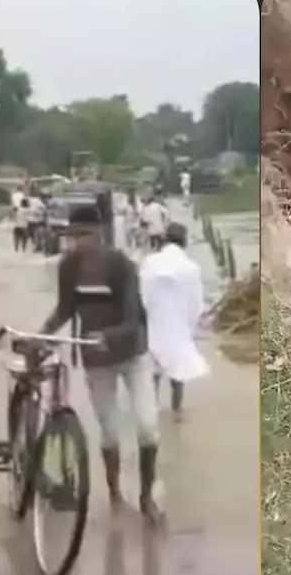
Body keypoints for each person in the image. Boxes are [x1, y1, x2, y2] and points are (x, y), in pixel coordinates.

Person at [37, 203, 164, 523]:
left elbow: (134, 318)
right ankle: (114, 493)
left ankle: (146, 496)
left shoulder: (121, 265)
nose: (77, 242)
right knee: (108, 431)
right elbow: (65, 309)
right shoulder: (68, 267)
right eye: (72, 236)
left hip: (132, 354)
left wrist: (110, 335)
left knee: (148, 427)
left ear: (98, 234)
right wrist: (42, 334)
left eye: (83, 236)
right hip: (95, 358)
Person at [139, 221, 209, 421]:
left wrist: (147, 315)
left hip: (154, 320)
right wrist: (192, 322)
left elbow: (142, 293)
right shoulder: (191, 267)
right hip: (179, 323)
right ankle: (176, 411)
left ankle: (150, 410)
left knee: (154, 369)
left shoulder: (150, 262)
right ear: (184, 241)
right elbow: (196, 303)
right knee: (178, 369)